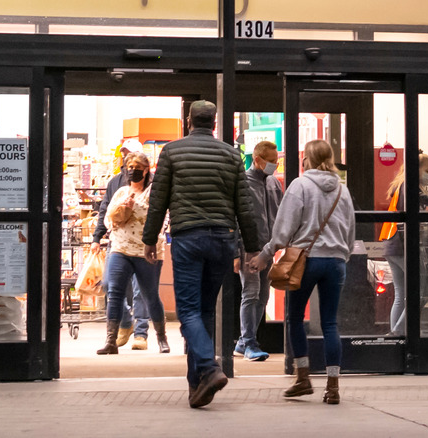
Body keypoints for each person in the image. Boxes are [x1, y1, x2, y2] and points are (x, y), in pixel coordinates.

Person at [142, 100, 260, 409]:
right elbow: (243, 205)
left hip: (188, 239)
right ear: (215, 122)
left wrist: (149, 239)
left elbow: (158, 200)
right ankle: (197, 386)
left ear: (189, 120)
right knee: (205, 311)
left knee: (189, 312)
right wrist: (252, 247)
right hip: (223, 240)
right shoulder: (232, 155)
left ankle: (208, 368)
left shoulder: (172, 152)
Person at [249, 139, 356, 405]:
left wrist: (267, 253)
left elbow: (284, 227)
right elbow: (351, 230)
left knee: (295, 317)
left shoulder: (301, 185)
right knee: (330, 323)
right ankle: (332, 386)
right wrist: (343, 254)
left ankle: (303, 377)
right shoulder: (343, 191)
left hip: (306, 260)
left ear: (306, 159)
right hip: (335, 262)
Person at [96, 152, 170, 355]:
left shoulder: (155, 192)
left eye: (137, 166)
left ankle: (161, 338)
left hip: (147, 250)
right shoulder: (121, 192)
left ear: (146, 170)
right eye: (129, 166)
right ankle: (111, 340)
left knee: (150, 296)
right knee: (114, 293)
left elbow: (162, 219)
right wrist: (122, 209)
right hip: (120, 248)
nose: (132, 170)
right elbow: (108, 222)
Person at [383, 151, 428, 336]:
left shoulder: (399, 186)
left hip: (391, 244)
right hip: (402, 245)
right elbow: (422, 200)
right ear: (416, 170)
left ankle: (396, 333)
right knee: (420, 291)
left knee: (400, 294)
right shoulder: (410, 187)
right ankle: (398, 332)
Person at [92, 140, 151, 351]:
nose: (130, 166)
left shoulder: (152, 186)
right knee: (109, 285)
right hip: (117, 242)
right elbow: (104, 211)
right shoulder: (115, 182)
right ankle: (127, 323)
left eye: (133, 157)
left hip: (142, 245)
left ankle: (141, 333)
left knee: (140, 289)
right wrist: (97, 237)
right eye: (126, 157)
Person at [234, 140, 283, 361]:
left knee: (262, 295)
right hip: (249, 248)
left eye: (277, 161)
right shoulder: (242, 183)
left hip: (267, 249)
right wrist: (237, 252)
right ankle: (249, 342)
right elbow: (235, 219)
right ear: (257, 159)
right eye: (271, 161)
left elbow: (279, 214)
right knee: (251, 293)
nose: (275, 165)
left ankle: (245, 341)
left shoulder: (273, 184)